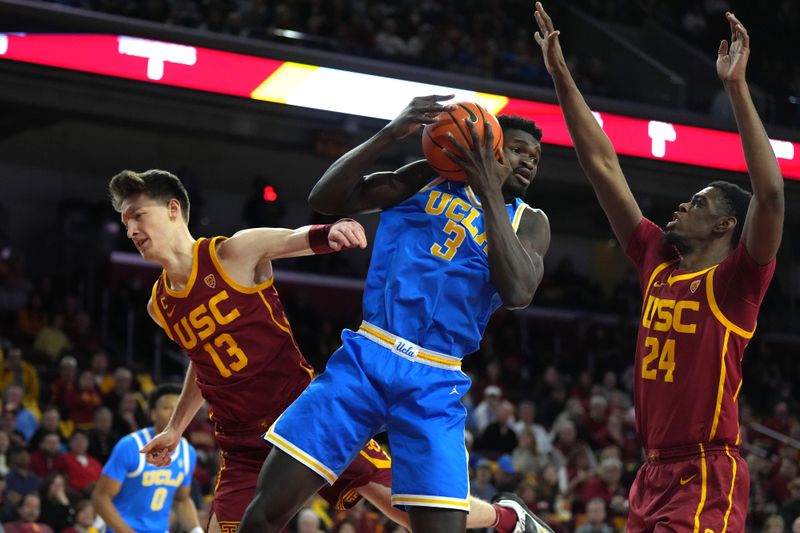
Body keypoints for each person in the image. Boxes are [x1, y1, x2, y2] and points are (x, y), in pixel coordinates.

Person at [111, 169, 544, 533]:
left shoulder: (231, 252)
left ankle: (508, 518)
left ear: (172, 210)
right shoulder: (159, 304)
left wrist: (331, 231)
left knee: (416, 514)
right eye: (125, 220)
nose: (131, 228)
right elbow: (200, 361)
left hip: (301, 416)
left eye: (137, 215)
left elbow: (294, 238)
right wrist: (175, 426)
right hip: (239, 442)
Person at [238, 95, 553, 533]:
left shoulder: (529, 221)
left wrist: (487, 190)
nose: (528, 162)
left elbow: (518, 291)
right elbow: (326, 198)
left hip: (435, 378)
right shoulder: (425, 178)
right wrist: (390, 132)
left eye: (535, 157)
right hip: (368, 356)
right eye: (519, 149)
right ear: (490, 143)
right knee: (266, 512)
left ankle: (512, 521)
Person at [533, 3, 783, 531]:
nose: (680, 207)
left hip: (705, 471)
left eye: (697, 203)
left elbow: (770, 195)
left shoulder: (736, 281)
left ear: (725, 228)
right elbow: (601, 164)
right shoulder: (656, 259)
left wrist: (735, 88)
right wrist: (560, 76)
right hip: (649, 473)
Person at [91, 383, 201, 533]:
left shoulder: (189, 453)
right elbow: (100, 498)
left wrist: (196, 530)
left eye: (178, 409)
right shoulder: (130, 446)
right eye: (167, 408)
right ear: (153, 413)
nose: (173, 414)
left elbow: (181, 500)